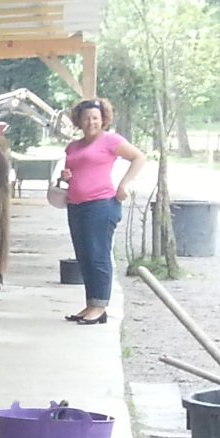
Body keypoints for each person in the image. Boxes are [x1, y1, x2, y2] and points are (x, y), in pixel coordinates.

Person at [56, 98, 144, 325]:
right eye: (86, 118)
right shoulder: (73, 146)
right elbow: (73, 172)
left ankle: (101, 305)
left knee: (98, 256)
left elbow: (138, 157)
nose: (90, 122)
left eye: (95, 118)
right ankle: (91, 303)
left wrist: (124, 184)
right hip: (76, 205)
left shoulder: (111, 141)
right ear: (79, 121)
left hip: (101, 205)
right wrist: (65, 177)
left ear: (103, 119)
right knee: (84, 257)